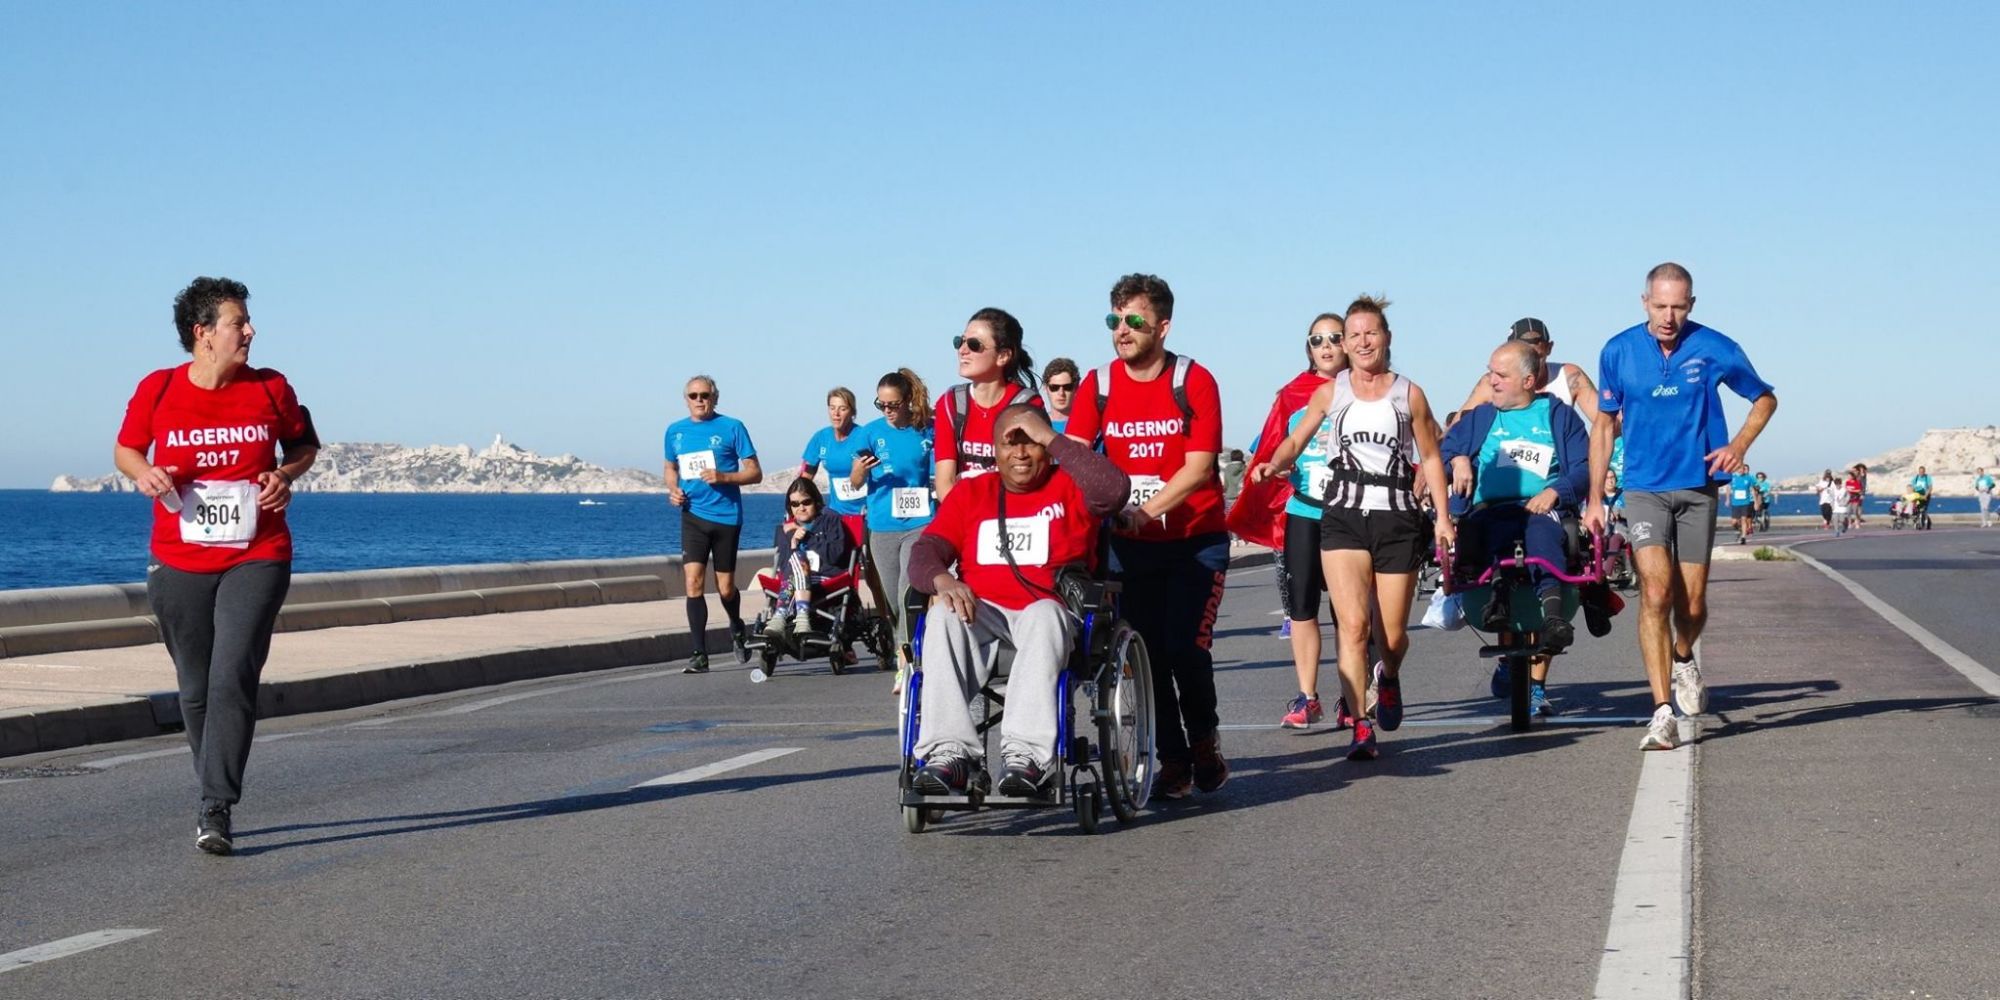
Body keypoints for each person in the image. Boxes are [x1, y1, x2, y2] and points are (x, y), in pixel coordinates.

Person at [114, 276, 320, 855]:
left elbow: (303, 446)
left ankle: (215, 803)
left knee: (233, 674)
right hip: (177, 556)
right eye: (238, 322)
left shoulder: (271, 387)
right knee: (196, 686)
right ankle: (212, 784)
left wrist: (284, 474)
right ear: (202, 333)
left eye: (247, 321)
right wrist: (144, 473)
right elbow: (127, 449)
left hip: (257, 552)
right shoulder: (158, 388)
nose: (250, 330)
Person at [1254, 295, 1456, 761]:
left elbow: (1430, 456)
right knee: (1352, 625)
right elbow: (1296, 440)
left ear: (1387, 338)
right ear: (1345, 344)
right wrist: (1273, 464)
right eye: (1355, 335)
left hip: (1396, 517)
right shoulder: (1331, 393)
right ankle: (1361, 724)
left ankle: (1388, 675)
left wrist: (1443, 518)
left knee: (1392, 636)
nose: (1363, 342)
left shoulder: (1409, 394)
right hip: (1343, 516)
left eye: (1371, 333)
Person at [1585, 263, 1777, 752]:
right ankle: (1661, 711)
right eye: (1660, 306)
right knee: (1655, 592)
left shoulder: (1714, 347)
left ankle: (1684, 656)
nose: (1668, 317)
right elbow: (1604, 426)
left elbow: (1764, 399)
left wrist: (1738, 445)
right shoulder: (1618, 350)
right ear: (1644, 302)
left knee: (1691, 603)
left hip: (1697, 487)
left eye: (1678, 307)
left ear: (1691, 304)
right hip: (1643, 488)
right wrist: (1595, 498)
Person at [1064, 273, 1234, 797]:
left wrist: (1147, 509)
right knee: (1146, 654)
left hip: (1195, 541)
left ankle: (1203, 740)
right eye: (1114, 320)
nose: (1122, 330)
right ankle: (1174, 760)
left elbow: (1199, 467)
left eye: (1134, 320)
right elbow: (1074, 457)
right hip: (1129, 549)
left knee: (1185, 648)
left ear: (1163, 326)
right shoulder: (1098, 384)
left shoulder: (1194, 380)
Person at [907, 404, 1130, 795]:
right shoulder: (971, 493)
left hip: (1048, 612)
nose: (1021, 453)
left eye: (1031, 442)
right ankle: (949, 755)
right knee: (942, 615)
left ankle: (1025, 757)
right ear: (995, 450)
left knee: (1044, 614)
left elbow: (1114, 491)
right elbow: (926, 551)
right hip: (983, 612)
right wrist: (942, 580)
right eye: (1011, 443)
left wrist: (1051, 436)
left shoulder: (1071, 486)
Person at [1442, 341, 1593, 716]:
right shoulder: (1480, 418)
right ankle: (1497, 599)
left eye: (1500, 375)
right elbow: (1440, 452)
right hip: (1490, 509)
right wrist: (1458, 459)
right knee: (1490, 532)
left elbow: (1584, 467)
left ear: (1528, 380)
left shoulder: (1559, 416)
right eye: (1490, 372)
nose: (1490, 381)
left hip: (1542, 507)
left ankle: (1553, 616)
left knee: (1540, 532)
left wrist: (1556, 492)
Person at [664, 375, 762, 674]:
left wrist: (724, 477)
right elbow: (670, 467)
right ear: (686, 399)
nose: (699, 400)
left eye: (705, 395)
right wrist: (673, 489)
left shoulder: (732, 427)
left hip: (726, 517)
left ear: (715, 398)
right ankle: (699, 654)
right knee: (693, 582)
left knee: (726, 587)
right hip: (692, 516)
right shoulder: (675, 431)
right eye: (693, 396)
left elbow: (755, 472)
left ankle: (736, 625)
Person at [853, 369, 936, 692]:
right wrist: (860, 471)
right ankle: (909, 648)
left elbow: (941, 470)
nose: (887, 410)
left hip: (920, 522)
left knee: (907, 591)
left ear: (907, 401)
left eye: (893, 404)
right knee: (892, 600)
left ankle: (907, 663)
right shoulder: (870, 434)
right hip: (882, 525)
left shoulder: (926, 429)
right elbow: (855, 482)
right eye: (881, 404)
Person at [934, 308, 1042, 502]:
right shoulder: (951, 403)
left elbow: (1028, 479)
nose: (962, 350)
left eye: (974, 345)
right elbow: (944, 483)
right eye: (960, 341)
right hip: (963, 511)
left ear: (1003, 356)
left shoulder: (1026, 404)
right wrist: (969, 516)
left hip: (1010, 510)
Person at [757, 478, 855, 681]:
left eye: (806, 502)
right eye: (795, 504)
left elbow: (835, 555)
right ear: (790, 507)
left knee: (798, 560)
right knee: (795, 560)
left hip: (824, 576)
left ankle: (781, 615)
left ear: (816, 501)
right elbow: (783, 564)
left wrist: (809, 538)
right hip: (793, 581)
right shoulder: (785, 529)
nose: (800, 508)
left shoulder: (830, 520)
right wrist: (793, 543)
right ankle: (799, 617)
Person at [1447, 317, 1601, 430]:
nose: (1531, 367)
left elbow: (1606, 423)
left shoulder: (1569, 377)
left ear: (1549, 348)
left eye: (1537, 358)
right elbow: (1455, 429)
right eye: (1523, 361)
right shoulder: (1491, 382)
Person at [800, 387, 871, 546]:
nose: (836, 414)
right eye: (832, 408)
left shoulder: (863, 436)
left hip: (866, 512)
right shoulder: (821, 438)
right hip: (836, 512)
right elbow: (805, 477)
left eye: (842, 409)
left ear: (852, 412)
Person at [1042, 358, 1080, 434]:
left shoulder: (1089, 425)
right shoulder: (1037, 424)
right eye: (1054, 387)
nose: (1061, 393)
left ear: (1076, 388)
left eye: (1067, 387)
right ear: (1045, 388)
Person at [1728, 468, 1759, 545]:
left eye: (1742, 469)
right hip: (1735, 503)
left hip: (1745, 502)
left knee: (1744, 519)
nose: (1741, 470)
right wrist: (1727, 499)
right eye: (1739, 468)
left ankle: (1743, 537)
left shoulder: (1748, 478)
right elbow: (1728, 488)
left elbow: (1753, 490)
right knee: (1734, 522)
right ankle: (1739, 529)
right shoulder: (1733, 477)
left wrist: (1755, 502)